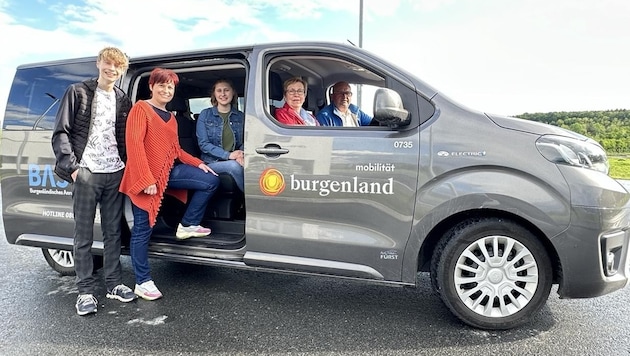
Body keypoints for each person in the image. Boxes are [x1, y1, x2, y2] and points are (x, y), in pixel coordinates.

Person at [119, 67, 220, 301]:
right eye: (162, 85)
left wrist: (198, 163)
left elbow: (176, 150)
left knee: (210, 179)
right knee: (143, 230)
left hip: (166, 173)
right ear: (152, 86)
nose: (166, 90)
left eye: (170, 86)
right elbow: (134, 146)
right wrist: (146, 179)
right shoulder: (141, 109)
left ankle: (188, 223)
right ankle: (142, 282)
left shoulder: (172, 118)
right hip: (144, 178)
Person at [51, 47, 137, 316]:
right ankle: (85, 291)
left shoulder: (123, 99)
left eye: (118, 66)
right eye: (108, 63)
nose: (112, 69)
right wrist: (73, 168)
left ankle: (113, 284)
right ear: (99, 64)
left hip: (115, 172)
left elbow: (126, 136)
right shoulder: (78, 92)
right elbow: (61, 132)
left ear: (122, 70)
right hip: (86, 172)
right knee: (84, 234)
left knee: (114, 233)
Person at [196, 79, 245, 192]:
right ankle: (250, 199)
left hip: (237, 158)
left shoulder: (240, 116)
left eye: (226, 90)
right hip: (211, 162)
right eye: (219, 91)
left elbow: (245, 141)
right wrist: (228, 155)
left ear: (233, 93)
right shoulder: (205, 114)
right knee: (233, 166)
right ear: (214, 94)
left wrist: (240, 154)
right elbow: (204, 144)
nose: (223, 94)